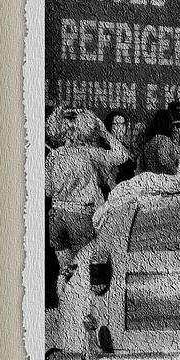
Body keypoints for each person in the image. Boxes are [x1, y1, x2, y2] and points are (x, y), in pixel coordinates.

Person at [45, 107, 129, 289]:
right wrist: (104, 132)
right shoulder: (88, 153)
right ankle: (82, 313)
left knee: (66, 270)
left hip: (56, 216)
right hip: (80, 217)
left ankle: (65, 306)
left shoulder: (53, 156)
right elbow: (123, 155)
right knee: (84, 272)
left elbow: (48, 191)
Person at [101, 110, 137, 193]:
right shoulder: (107, 148)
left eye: (122, 124)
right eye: (116, 125)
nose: (120, 128)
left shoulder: (124, 146)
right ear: (109, 126)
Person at [139, 109, 180, 175]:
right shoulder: (164, 140)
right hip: (164, 179)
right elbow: (163, 158)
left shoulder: (150, 140)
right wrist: (176, 171)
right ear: (168, 123)